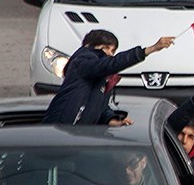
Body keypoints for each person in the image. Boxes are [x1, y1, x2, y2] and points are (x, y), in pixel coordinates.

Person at [43, 29, 175, 125]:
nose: (109, 54)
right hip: (61, 130)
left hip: (78, 136)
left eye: (113, 51)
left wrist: (111, 120)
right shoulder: (83, 60)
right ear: (89, 46)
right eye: (106, 48)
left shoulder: (102, 79)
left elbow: (100, 107)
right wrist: (150, 49)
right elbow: (110, 64)